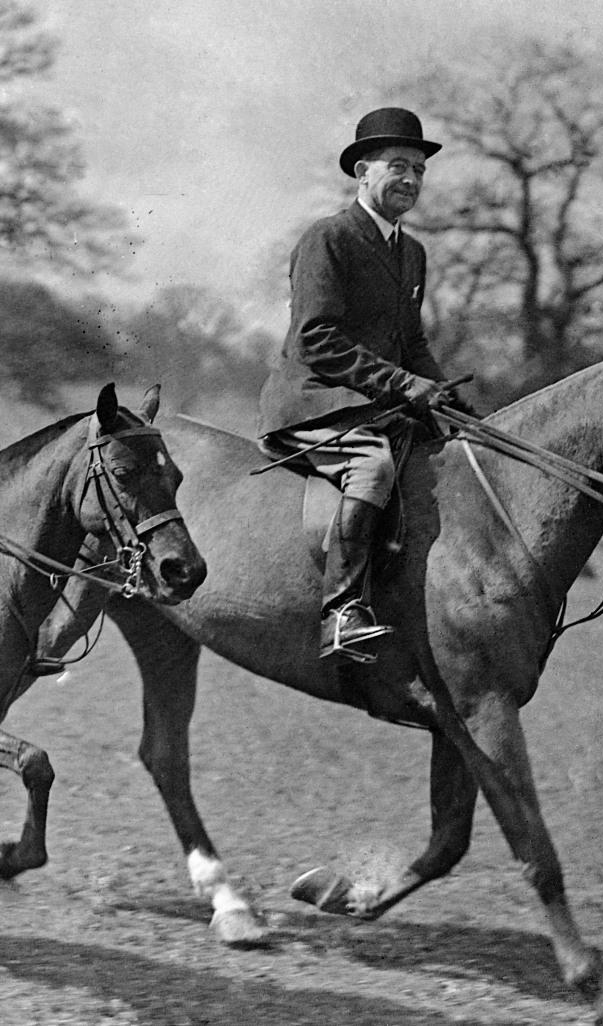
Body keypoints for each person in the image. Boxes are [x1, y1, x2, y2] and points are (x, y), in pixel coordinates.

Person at [258, 106, 470, 662]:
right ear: (363, 173)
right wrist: (402, 384)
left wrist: (452, 400)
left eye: (420, 171)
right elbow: (315, 337)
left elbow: (413, 345)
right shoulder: (329, 238)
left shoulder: (413, 253)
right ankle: (342, 612)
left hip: (376, 402)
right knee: (373, 467)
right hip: (314, 397)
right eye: (398, 166)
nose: (411, 180)